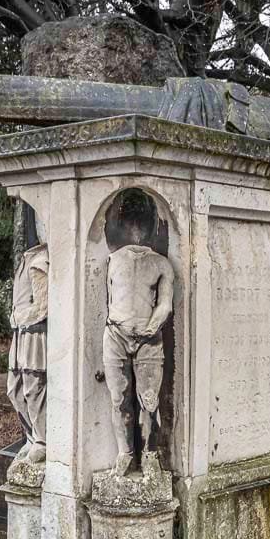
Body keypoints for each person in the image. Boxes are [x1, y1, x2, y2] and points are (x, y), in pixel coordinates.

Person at [103, 194, 174, 476]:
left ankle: (149, 453)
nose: (135, 230)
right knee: (119, 398)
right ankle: (124, 452)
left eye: (140, 224)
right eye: (130, 224)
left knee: (149, 400)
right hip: (116, 337)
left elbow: (165, 303)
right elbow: (108, 300)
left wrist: (153, 325)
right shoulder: (112, 260)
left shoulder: (161, 264)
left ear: (148, 228)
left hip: (149, 339)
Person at [7, 242, 49, 464]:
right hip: (20, 333)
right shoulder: (26, 259)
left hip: (34, 334)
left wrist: (19, 318)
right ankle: (31, 436)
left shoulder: (41, 260)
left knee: (34, 388)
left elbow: (43, 307)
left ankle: (42, 440)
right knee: (14, 390)